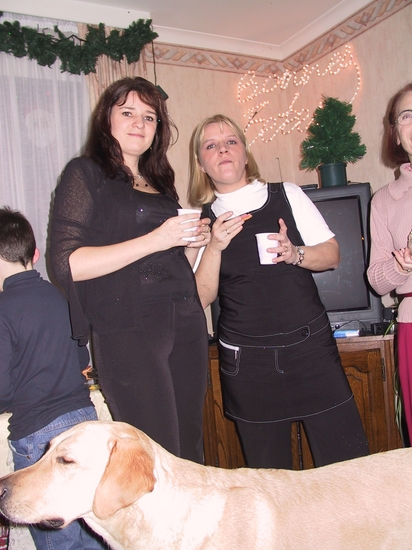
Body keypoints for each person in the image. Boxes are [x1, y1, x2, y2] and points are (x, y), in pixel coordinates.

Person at [188, 114, 369, 469]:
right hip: (248, 364)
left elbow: (332, 255)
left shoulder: (287, 194)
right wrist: (214, 247)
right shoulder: (199, 220)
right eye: (211, 145)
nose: (223, 149)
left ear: (244, 153)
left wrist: (295, 253)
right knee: (270, 478)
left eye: (231, 141)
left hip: (310, 350)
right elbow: (199, 299)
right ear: (201, 163)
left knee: (348, 466)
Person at [49, 77, 210, 464]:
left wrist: (191, 244)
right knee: (155, 457)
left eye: (150, 117)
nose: (140, 123)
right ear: (106, 119)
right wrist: (157, 239)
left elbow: (169, 264)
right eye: (128, 112)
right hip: (128, 329)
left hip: (187, 321)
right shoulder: (85, 173)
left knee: (190, 452)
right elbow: (65, 263)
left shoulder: (160, 182)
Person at [0, 206, 106, 550]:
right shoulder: (59, 295)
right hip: (83, 424)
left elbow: (2, 389)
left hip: (38, 437)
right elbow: (81, 357)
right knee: (93, 533)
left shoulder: (3, 309)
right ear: (34, 254)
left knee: (59, 544)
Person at [367, 82, 412, 445]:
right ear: (395, 133)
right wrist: (403, 265)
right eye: (407, 116)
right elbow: (377, 280)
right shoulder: (384, 200)